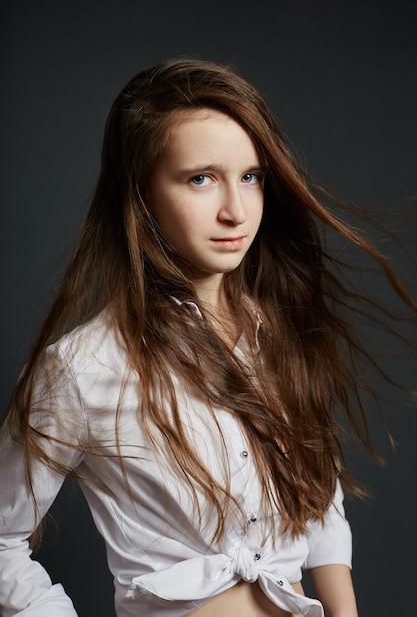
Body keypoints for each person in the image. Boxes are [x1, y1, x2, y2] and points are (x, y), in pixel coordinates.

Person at [0, 58, 415, 617]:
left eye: (251, 177)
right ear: (141, 195)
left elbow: (317, 499)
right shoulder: (80, 368)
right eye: (201, 178)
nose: (235, 210)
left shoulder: (277, 333)